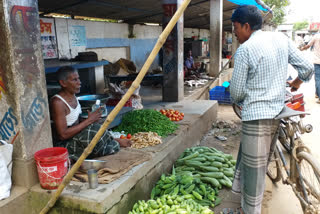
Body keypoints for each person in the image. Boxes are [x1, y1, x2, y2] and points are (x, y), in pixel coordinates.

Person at [229, 5, 314, 214]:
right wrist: (295, 83)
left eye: (236, 28)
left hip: (256, 117)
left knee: (253, 172)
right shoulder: (281, 39)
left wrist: (246, 94)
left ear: (247, 26)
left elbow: (237, 94)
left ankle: (249, 211)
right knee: (261, 160)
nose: (235, 33)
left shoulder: (245, 50)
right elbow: (308, 68)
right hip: (278, 111)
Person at [50, 66, 132, 161]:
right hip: (66, 144)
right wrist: (88, 121)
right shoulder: (58, 102)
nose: (79, 83)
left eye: (79, 79)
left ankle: (109, 143)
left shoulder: (73, 96)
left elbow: (77, 122)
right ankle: (113, 143)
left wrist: (90, 120)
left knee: (98, 128)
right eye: (74, 80)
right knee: (94, 132)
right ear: (63, 83)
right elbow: (62, 135)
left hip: (78, 137)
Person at [301, 31, 320, 103]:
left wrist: (301, 49)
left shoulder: (316, 36)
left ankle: (319, 96)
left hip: (317, 61)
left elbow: (308, 46)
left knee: (318, 79)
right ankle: (317, 94)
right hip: (317, 61)